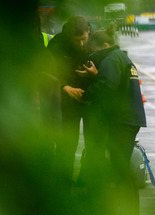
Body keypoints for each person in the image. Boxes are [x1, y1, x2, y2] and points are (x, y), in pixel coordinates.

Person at [77, 28, 147, 215]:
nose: (93, 53)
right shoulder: (122, 58)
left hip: (121, 121)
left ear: (103, 45)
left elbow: (107, 86)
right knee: (120, 169)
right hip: (130, 119)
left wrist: (85, 95)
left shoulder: (110, 59)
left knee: (120, 171)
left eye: (94, 49)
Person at [47, 16, 91, 193]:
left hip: (89, 98)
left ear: (88, 32)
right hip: (66, 99)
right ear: (69, 36)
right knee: (68, 143)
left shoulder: (94, 40)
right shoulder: (57, 45)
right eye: (76, 40)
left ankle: (86, 177)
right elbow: (46, 71)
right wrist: (64, 87)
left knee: (94, 141)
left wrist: (94, 77)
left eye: (84, 40)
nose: (81, 44)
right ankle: (64, 182)